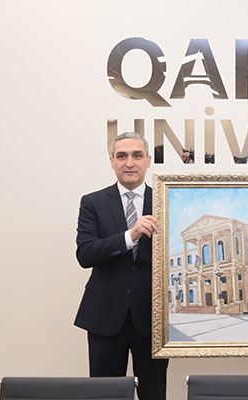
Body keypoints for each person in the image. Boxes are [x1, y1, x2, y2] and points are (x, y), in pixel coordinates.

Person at [74, 132, 168, 399]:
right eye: (122, 156)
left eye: (137, 155)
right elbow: (85, 254)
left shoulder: (165, 200)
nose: (129, 162)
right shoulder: (92, 202)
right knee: (104, 394)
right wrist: (131, 235)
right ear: (112, 161)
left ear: (148, 160)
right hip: (104, 316)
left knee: (154, 393)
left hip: (153, 319)